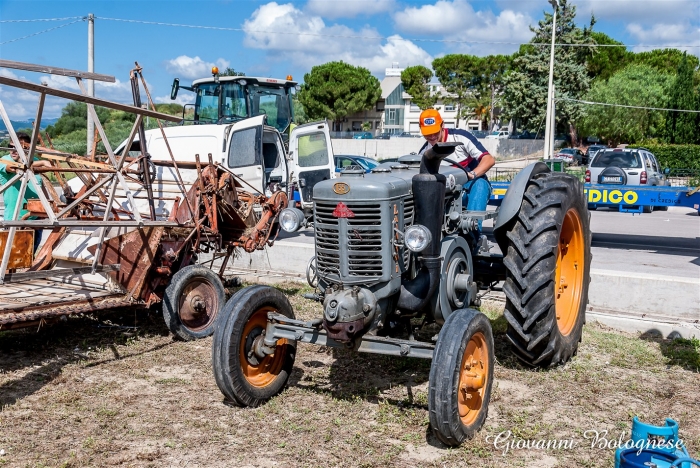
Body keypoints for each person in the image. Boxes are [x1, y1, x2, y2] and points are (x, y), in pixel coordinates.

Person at [418, 109, 495, 236]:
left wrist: (472, 175)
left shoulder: (461, 137)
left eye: (435, 132)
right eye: (428, 134)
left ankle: (472, 236)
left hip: (470, 186)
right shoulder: (424, 153)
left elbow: (489, 159)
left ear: (442, 126)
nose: (432, 137)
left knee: (480, 185)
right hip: (448, 193)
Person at [0, 132, 52, 250]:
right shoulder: (4, 160)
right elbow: (14, 167)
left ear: (28, 148)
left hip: (35, 219)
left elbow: (41, 186)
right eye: (11, 146)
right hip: (15, 219)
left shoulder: (34, 160)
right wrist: (43, 162)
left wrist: (46, 208)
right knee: (11, 258)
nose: (13, 150)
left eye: (18, 147)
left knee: (30, 256)